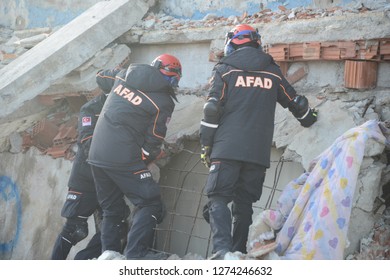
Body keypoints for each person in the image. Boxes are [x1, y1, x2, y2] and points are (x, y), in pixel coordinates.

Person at [199, 24, 318, 259]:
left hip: (227, 147)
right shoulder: (272, 71)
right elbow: (298, 106)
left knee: (218, 198)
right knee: (243, 205)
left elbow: (212, 109)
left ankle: (222, 253)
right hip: (257, 152)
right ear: (256, 42)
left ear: (232, 42)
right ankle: (238, 251)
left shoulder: (225, 69)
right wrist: (310, 118)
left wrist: (206, 145)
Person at [87, 54, 182, 260]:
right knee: (151, 202)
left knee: (112, 209)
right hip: (123, 157)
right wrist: (140, 162)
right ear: (174, 79)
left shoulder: (123, 75)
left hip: (96, 153)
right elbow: (153, 141)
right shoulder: (163, 102)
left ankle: (109, 256)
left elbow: (100, 76)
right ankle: (136, 254)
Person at [51, 67, 128, 260]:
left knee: (117, 224)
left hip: (108, 180)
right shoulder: (91, 109)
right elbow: (88, 144)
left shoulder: (125, 108)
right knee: (74, 229)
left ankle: (83, 262)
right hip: (85, 178)